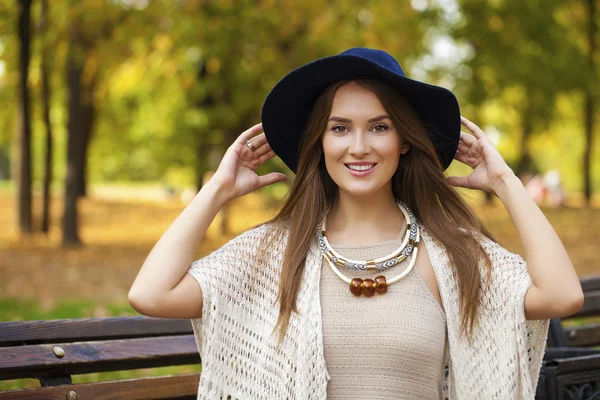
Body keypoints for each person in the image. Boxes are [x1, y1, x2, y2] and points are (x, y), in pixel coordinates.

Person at [128, 48, 583, 399]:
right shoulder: (272, 254)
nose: (359, 146)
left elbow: (562, 295)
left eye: (380, 127)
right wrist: (216, 191)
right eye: (340, 128)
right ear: (320, 141)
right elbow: (151, 293)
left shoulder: (448, 252)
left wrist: (505, 183)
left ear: (404, 140)